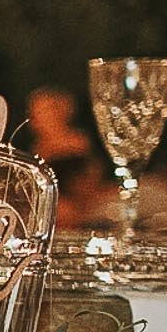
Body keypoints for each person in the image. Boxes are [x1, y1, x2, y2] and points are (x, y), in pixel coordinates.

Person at [26, 86, 109, 231]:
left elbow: (89, 182)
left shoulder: (77, 144)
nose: (37, 119)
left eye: (45, 112)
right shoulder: (37, 148)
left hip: (78, 211)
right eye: (35, 113)